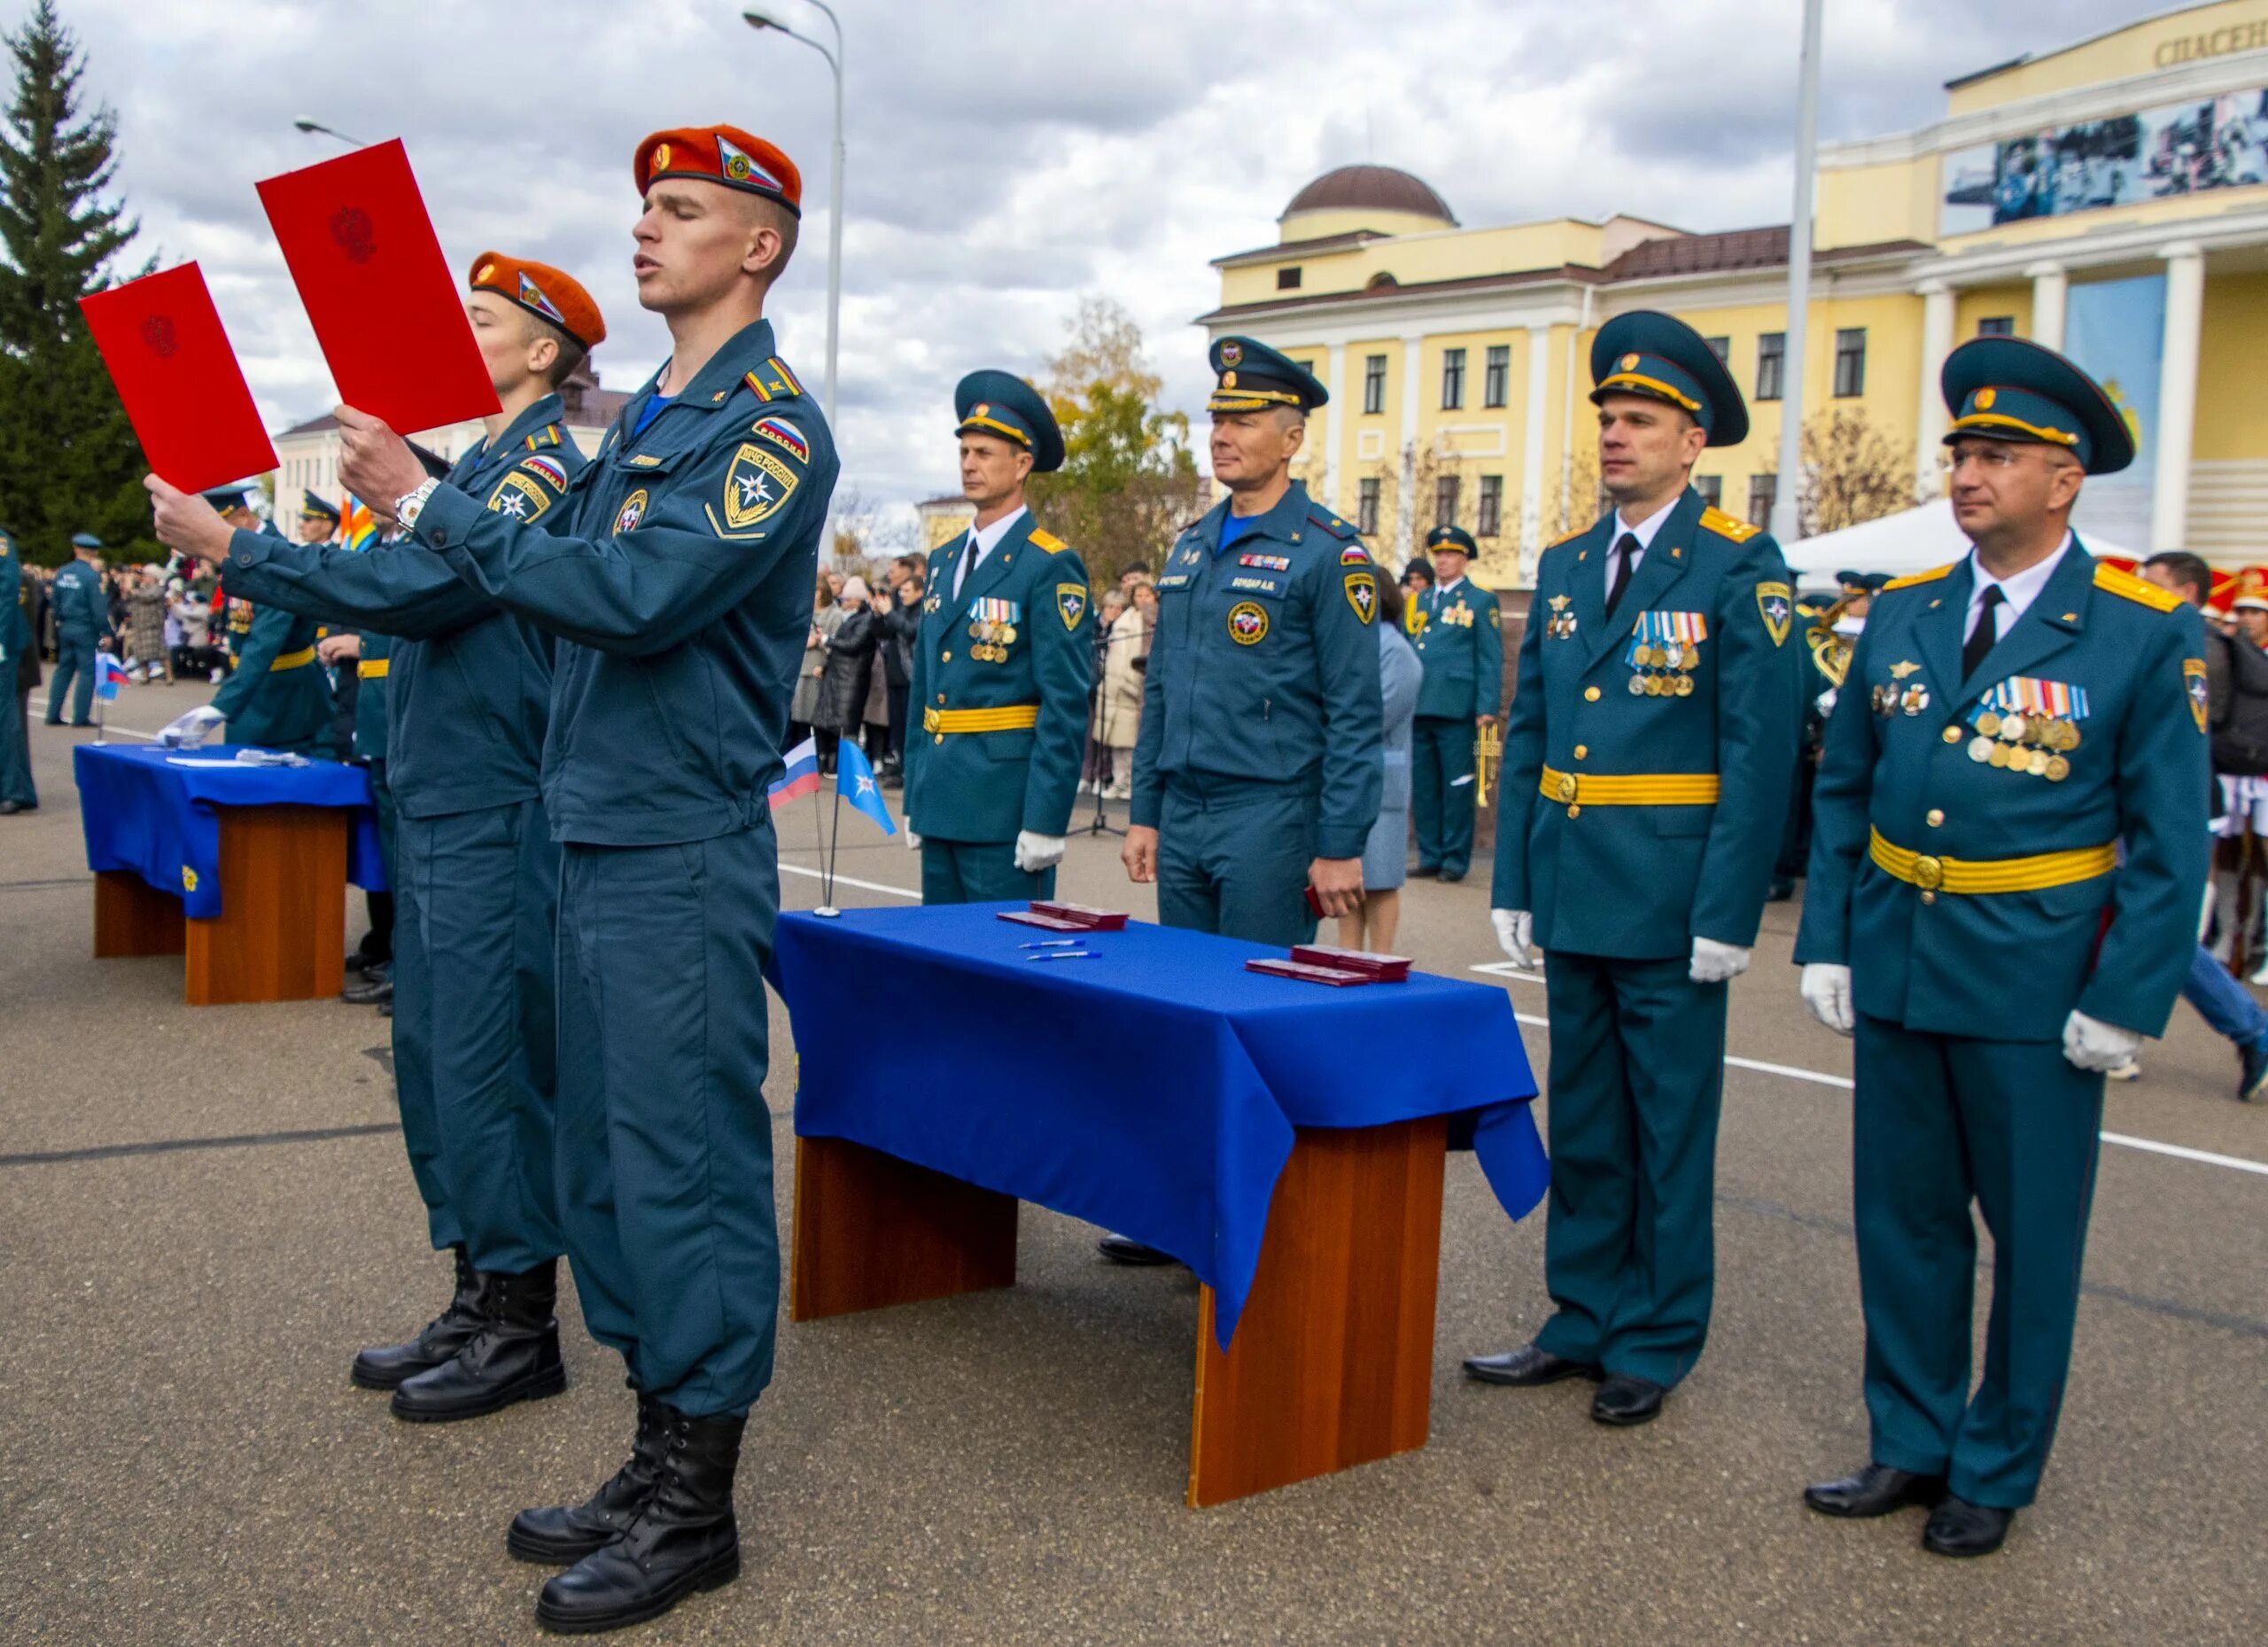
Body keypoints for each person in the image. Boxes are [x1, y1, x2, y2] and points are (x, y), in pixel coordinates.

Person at [284, 123, 829, 1633]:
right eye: (643, 205)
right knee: (600, 1157)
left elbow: (636, 596)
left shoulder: (767, 425)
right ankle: (654, 1449)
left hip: (673, 844)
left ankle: (699, 1495)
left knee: (684, 1168)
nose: (647, 229)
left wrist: (427, 498)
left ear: (761, 243)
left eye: (683, 209)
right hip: (585, 829)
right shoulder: (653, 406)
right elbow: (528, 579)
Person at [157, 251, 612, 1433]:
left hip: (497, 801)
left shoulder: (546, 467)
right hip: (440, 791)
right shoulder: (480, 468)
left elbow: (417, 590)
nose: (464, 335)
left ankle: (521, 1320)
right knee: (434, 1059)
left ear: (546, 353)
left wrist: (233, 547)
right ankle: (476, 1287)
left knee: (490, 1064)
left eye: (486, 320)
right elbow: (398, 569)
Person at [1794, 337, 2206, 1558]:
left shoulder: (2138, 630)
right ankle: (1911, 1439)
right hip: (1904, 954)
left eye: (1996, 455)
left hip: (2037, 976)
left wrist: (2127, 993)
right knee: (1903, 1218)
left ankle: (1997, 1461)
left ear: (2064, 477)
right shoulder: (1909, 611)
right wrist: (1831, 936)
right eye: (1961, 452)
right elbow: (1846, 790)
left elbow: (2168, 839)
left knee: (2031, 1235)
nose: (1966, 474)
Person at [1469, 309, 1798, 1427]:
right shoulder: (1565, 565)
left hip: (1670, 895)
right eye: (1607, 416)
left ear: (1691, 440)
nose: (1615, 435)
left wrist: (1730, 907)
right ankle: (1580, 1315)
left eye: (1639, 419)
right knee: (1589, 1116)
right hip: (1573, 879)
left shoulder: (1738, 569)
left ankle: (1654, 1335)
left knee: (1667, 1125)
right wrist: (1513, 876)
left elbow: (1759, 753)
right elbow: (1531, 734)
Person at [1102, 338, 1380, 1268]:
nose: (1221, 434)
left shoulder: (1327, 554)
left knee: (1252, 1011)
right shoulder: (1189, 546)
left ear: (1292, 436)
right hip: (1184, 810)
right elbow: (1165, 691)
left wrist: (1340, 843)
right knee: (1183, 1008)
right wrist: (1143, 810)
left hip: (1270, 814)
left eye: (1244, 420)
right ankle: (1185, 1210)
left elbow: (1354, 711)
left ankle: (1253, 1218)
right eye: (1216, 418)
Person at [905, 369, 1091, 901]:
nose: (969, 464)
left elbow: (1065, 701)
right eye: (964, 452)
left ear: (1023, 463)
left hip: (1003, 810)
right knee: (942, 966)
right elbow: (926, 685)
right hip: (941, 798)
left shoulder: (1049, 567)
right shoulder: (942, 563)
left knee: (1004, 967)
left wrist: (1046, 819)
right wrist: (917, 795)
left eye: (985, 453)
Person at [2143, 548, 2268, 1101]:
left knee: (2154, 922)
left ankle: (2253, 1027)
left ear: (2187, 592)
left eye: (2155, 583)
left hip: (2176, 800)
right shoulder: (2172, 635)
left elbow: (2187, 732)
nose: (2142, 590)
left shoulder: (2199, 645)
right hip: (2152, 796)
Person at [198, 486, 334, 755]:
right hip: (254, 690)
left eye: (220, 526)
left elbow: (264, 641)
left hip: (284, 699)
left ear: (242, 515)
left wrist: (219, 707)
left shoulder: (276, 556)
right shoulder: (243, 555)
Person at [1408, 524, 1503, 882]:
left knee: (1457, 785)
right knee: (1425, 786)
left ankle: (1454, 858)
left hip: (1456, 707)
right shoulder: (1419, 600)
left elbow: (1490, 657)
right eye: (1439, 554)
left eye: (1450, 554)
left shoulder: (1480, 600)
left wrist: (1486, 706)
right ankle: (1429, 854)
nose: (1443, 560)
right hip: (1419, 705)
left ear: (1464, 559)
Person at [1342, 572, 1420, 952]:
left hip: (1380, 777)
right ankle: (1346, 957)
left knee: (1381, 878)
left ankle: (1381, 961)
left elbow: (1377, 715)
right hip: (1348, 774)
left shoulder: (1396, 651)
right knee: (1348, 877)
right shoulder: (1354, 645)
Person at [44, 532, 108, 726]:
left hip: (66, 626)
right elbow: (98, 607)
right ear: (94, 553)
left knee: (63, 670)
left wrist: (60, 620)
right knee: (87, 672)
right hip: (85, 628)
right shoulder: (91, 576)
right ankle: (80, 717)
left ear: (75, 549)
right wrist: (105, 631)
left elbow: (54, 601)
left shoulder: (62, 572)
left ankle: (52, 713)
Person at [816, 575, 877, 759]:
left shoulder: (865, 619)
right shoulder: (851, 618)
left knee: (846, 724)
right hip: (840, 675)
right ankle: (829, 761)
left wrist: (828, 640)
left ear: (857, 600)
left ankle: (843, 763)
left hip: (852, 677)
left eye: (847, 598)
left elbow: (853, 643)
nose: (843, 601)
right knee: (831, 721)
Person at [1099, 578, 1147, 800]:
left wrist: (1131, 683)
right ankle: (1119, 781)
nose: (1142, 599)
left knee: (1131, 743)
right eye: (1138, 595)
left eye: (1146, 595)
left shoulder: (1146, 622)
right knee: (1117, 742)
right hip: (1114, 687)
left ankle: (1130, 782)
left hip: (1132, 686)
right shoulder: (1126, 618)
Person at [0, 524, 34, 812]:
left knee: (4, 715)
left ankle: (13, 789)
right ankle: (17, 788)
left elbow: (7, 590)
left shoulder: (1, 540)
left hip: (3, 641)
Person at [1401, 556, 1433, 635]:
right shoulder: (1404, 599)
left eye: (1419, 579)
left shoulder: (1434, 600)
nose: (1414, 583)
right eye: (1411, 579)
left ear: (1428, 580)